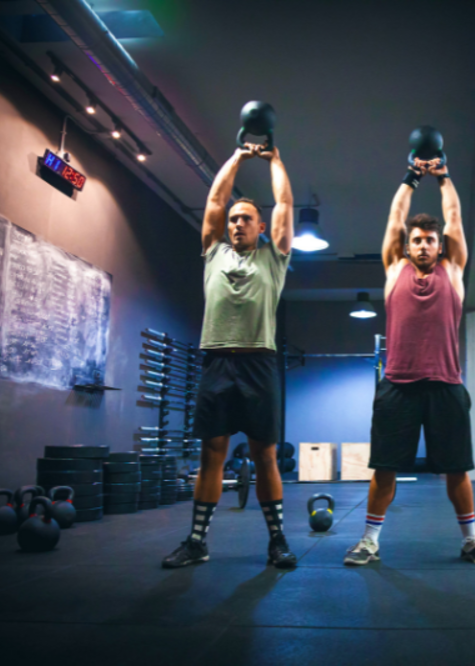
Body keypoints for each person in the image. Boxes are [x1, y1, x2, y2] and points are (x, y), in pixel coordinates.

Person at [343, 153, 475, 566]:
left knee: (457, 470)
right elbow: (395, 217)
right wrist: (411, 177)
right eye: (417, 240)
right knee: (385, 469)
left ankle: (472, 540)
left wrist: (445, 177)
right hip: (398, 386)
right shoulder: (394, 270)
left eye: (431, 240)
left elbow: (456, 219)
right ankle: (369, 541)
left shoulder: (455, 271)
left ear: (439, 245)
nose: (424, 245)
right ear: (406, 246)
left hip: (446, 385)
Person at [163, 141, 296, 569]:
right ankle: (197, 541)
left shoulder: (274, 260)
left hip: (259, 363)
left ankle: (277, 541)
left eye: (246, 220)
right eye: (234, 220)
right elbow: (216, 199)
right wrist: (238, 157)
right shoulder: (213, 252)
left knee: (265, 456)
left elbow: (286, 205)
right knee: (211, 455)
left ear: (260, 228)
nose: (236, 224)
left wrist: (274, 160)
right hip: (217, 362)